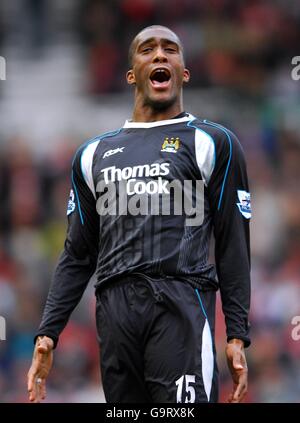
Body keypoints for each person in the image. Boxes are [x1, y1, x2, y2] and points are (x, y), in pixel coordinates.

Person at [27, 25, 251, 403]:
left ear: (184, 72)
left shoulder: (213, 142)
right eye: (148, 49)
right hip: (114, 316)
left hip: (181, 306)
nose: (160, 55)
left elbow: (233, 245)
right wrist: (47, 333)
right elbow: (79, 254)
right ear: (132, 73)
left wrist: (237, 334)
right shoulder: (92, 154)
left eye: (170, 50)